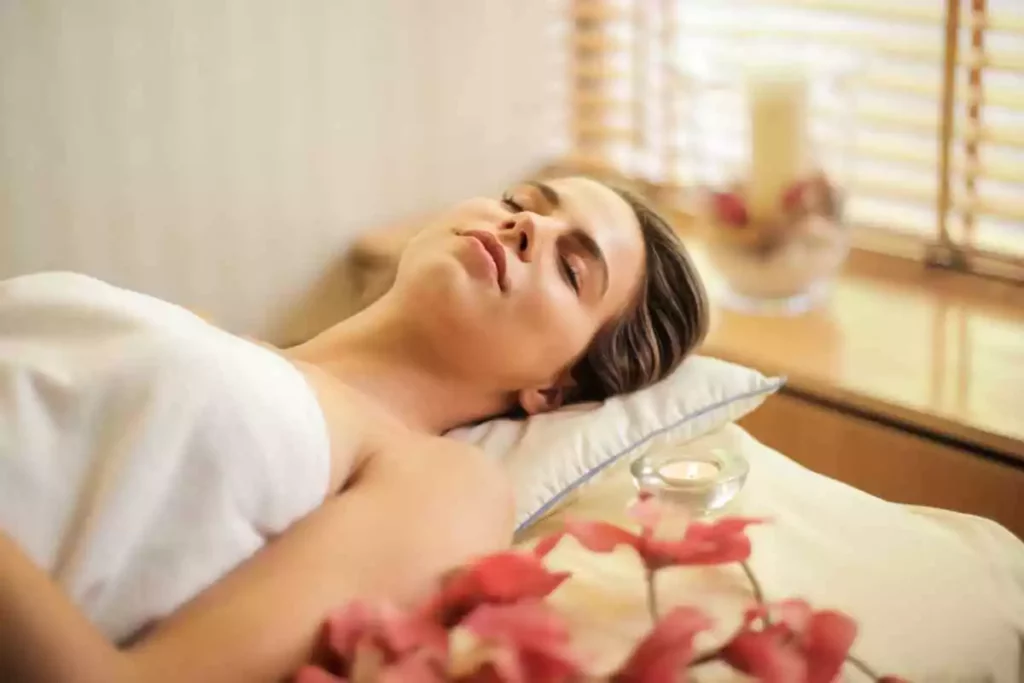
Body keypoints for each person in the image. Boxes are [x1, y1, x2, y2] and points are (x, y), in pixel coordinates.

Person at [0, 176, 709, 683]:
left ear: (554, 390)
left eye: (572, 265)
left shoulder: (442, 480)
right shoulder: (205, 332)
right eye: (520, 202)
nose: (527, 227)